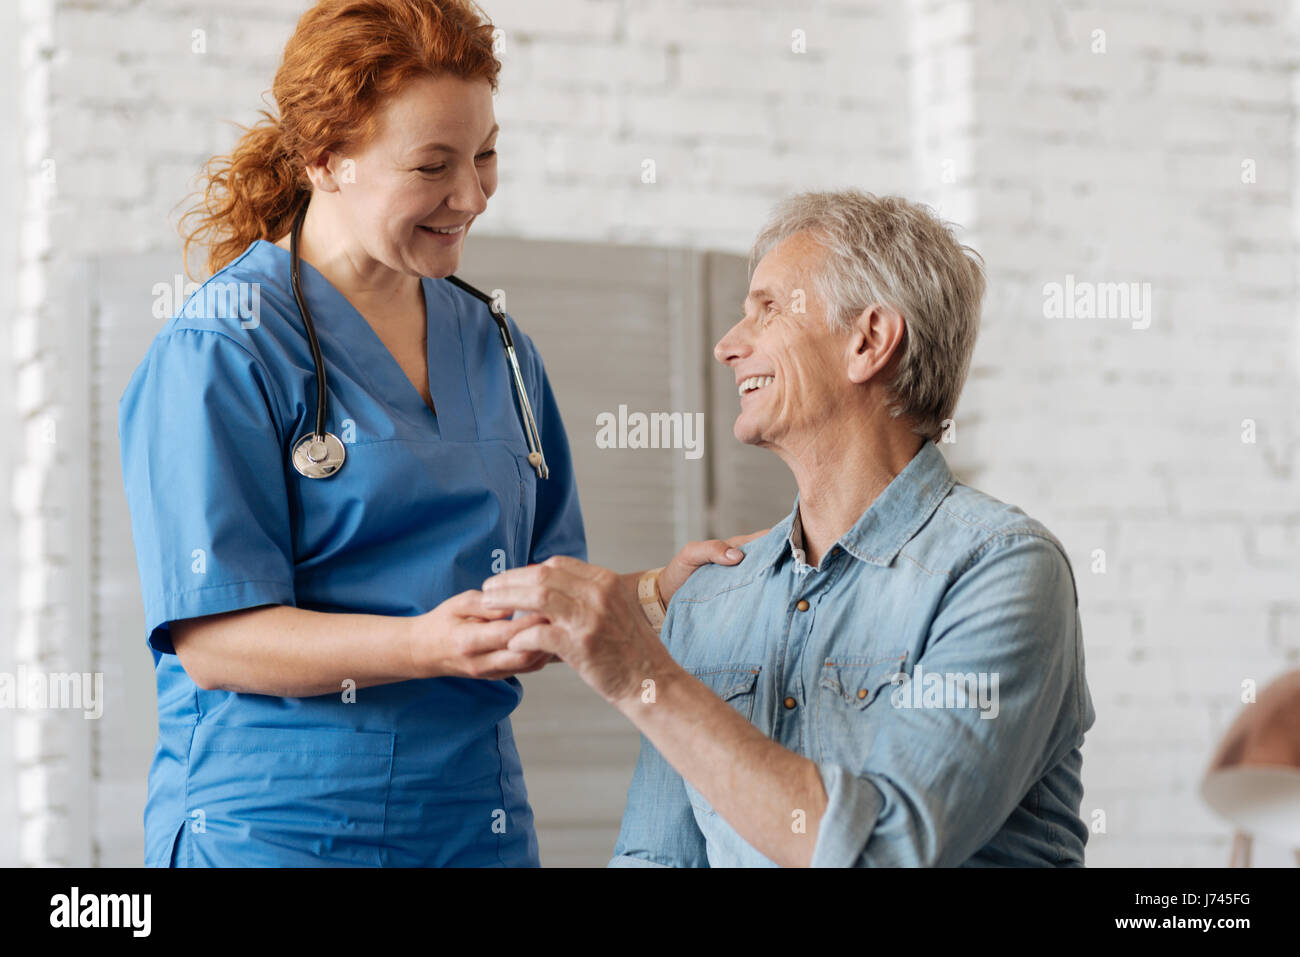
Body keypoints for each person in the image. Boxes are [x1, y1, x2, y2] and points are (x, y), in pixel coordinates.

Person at [119, 0, 748, 868]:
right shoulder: (223, 347)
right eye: (432, 166)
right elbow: (215, 640)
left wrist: (650, 593)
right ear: (325, 158)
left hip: (471, 822)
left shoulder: (497, 343)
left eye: (486, 155)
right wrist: (424, 643)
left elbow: (525, 600)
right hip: (276, 828)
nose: (472, 196)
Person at [483, 189, 1097, 867]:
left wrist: (641, 674)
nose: (726, 346)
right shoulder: (715, 595)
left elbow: (885, 852)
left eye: (767, 309)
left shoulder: (1003, 571)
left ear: (868, 340)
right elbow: (655, 857)